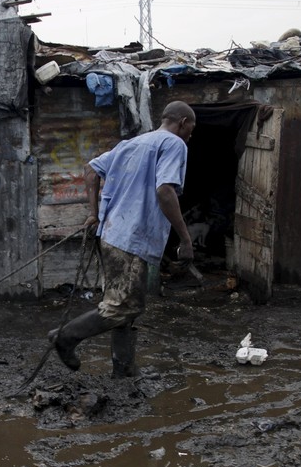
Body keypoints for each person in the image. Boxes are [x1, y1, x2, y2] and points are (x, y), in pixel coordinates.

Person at [49, 101, 196, 377]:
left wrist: (94, 214)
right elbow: (165, 190)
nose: (190, 135)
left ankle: (124, 369)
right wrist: (185, 238)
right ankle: (65, 337)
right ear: (184, 123)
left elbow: (91, 170)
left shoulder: (131, 144)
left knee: (123, 303)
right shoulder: (175, 144)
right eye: (192, 129)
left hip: (111, 235)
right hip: (131, 238)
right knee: (124, 305)